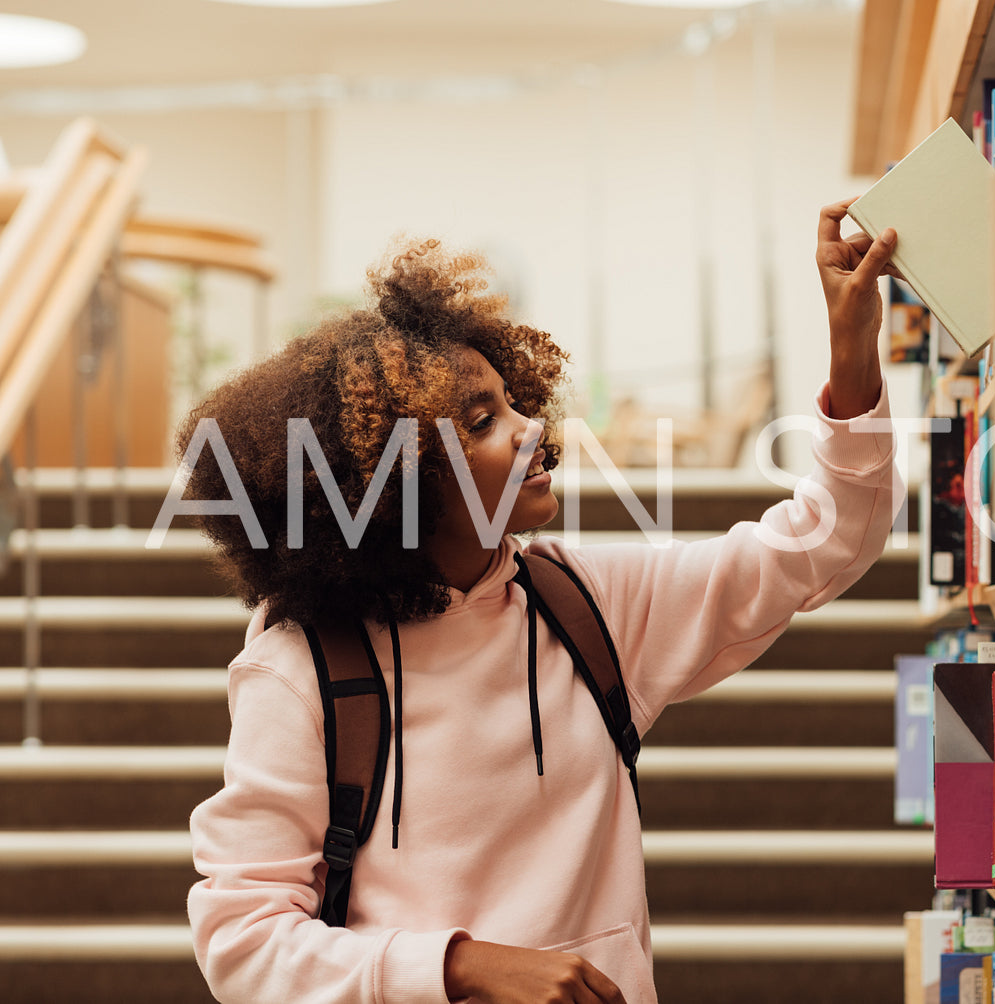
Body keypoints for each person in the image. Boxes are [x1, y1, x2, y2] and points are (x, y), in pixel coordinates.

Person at [184, 201, 901, 1004]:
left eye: (513, 402)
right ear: (395, 480)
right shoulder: (300, 667)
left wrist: (851, 350)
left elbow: (823, 541)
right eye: (483, 421)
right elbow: (242, 942)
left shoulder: (583, 604)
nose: (534, 430)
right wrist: (460, 967)